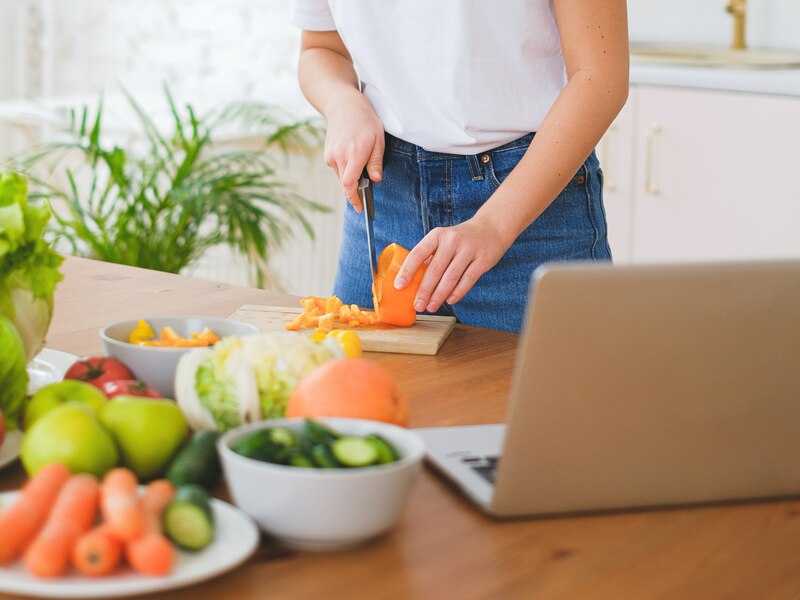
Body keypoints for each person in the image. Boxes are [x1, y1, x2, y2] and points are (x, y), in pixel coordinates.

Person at [292, 1, 629, 333]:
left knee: (551, 388)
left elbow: (600, 75)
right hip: (384, 199)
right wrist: (343, 102)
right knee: (357, 386)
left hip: (530, 206)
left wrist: (494, 226)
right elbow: (320, 47)